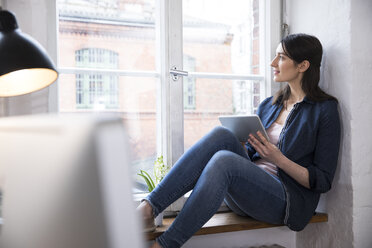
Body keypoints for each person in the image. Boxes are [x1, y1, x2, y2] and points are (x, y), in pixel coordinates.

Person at [138, 33, 341, 248]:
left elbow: (323, 180)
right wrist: (247, 147)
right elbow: (254, 158)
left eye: (281, 57)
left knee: (224, 160)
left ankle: (164, 245)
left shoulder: (324, 110)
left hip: (285, 201)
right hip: (248, 191)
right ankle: (149, 208)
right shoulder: (269, 105)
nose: (273, 63)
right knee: (222, 135)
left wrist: (278, 159)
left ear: (303, 65)